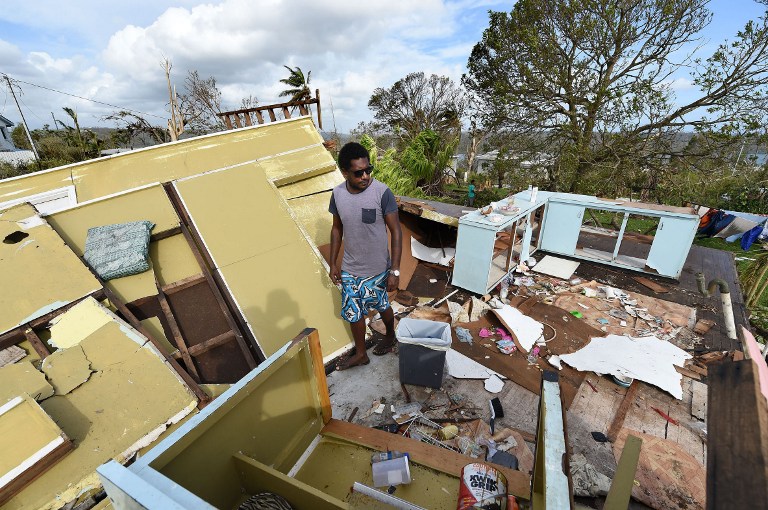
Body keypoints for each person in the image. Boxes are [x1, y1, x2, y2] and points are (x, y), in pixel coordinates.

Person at [328, 142, 402, 370]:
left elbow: (396, 231)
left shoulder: (382, 192)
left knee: (381, 305)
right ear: (345, 173)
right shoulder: (337, 194)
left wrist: (395, 270)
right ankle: (361, 353)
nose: (365, 176)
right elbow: (336, 229)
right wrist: (333, 263)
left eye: (368, 170)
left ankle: (390, 335)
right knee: (353, 311)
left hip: (378, 268)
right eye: (358, 173)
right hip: (351, 267)